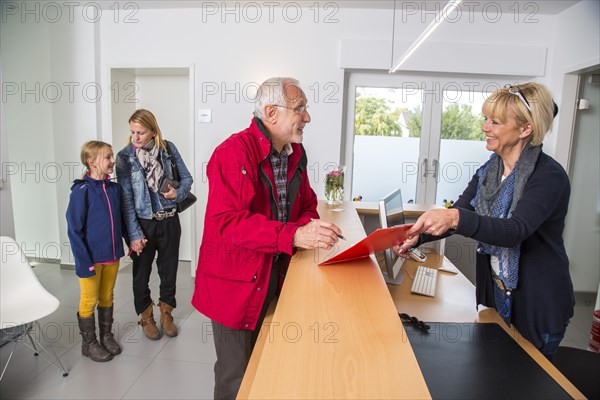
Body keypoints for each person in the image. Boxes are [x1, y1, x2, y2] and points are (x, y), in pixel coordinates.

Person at [395, 83, 575, 359]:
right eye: (485, 119)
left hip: (537, 303)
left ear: (525, 129)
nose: (485, 127)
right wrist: (418, 236)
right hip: (499, 295)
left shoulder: (548, 176)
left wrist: (455, 217)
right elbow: (460, 211)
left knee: (528, 382)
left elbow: (515, 230)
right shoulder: (490, 170)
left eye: (495, 122)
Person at [192, 77, 342, 399]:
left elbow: (307, 205)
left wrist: (305, 230)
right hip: (234, 285)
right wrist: (294, 234)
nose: (308, 117)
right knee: (235, 377)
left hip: (274, 274)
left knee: (266, 364)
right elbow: (228, 223)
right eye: (300, 109)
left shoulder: (294, 152)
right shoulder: (231, 154)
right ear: (271, 112)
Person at [116, 109, 193, 340]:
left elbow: (187, 179)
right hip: (143, 224)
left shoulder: (168, 149)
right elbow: (127, 200)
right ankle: (146, 316)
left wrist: (176, 194)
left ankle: (166, 314)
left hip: (169, 221)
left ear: (153, 131)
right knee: (141, 274)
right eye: (132, 132)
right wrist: (133, 233)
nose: (135, 138)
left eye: (140, 132)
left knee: (169, 271)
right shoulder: (125, 157)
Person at [67, 140, 125, 362]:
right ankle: (89, 343)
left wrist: (130, 242)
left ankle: (106, 336)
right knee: (89, 299)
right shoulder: (81, 191)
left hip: (112, 255)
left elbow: (121, 220)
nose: (113, 161)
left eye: (112, 156)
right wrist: (84, 262)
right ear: (91, 162)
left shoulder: (114, 188)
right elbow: (74, 230)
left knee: (107, 296)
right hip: (91, 259)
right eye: (108, 157)